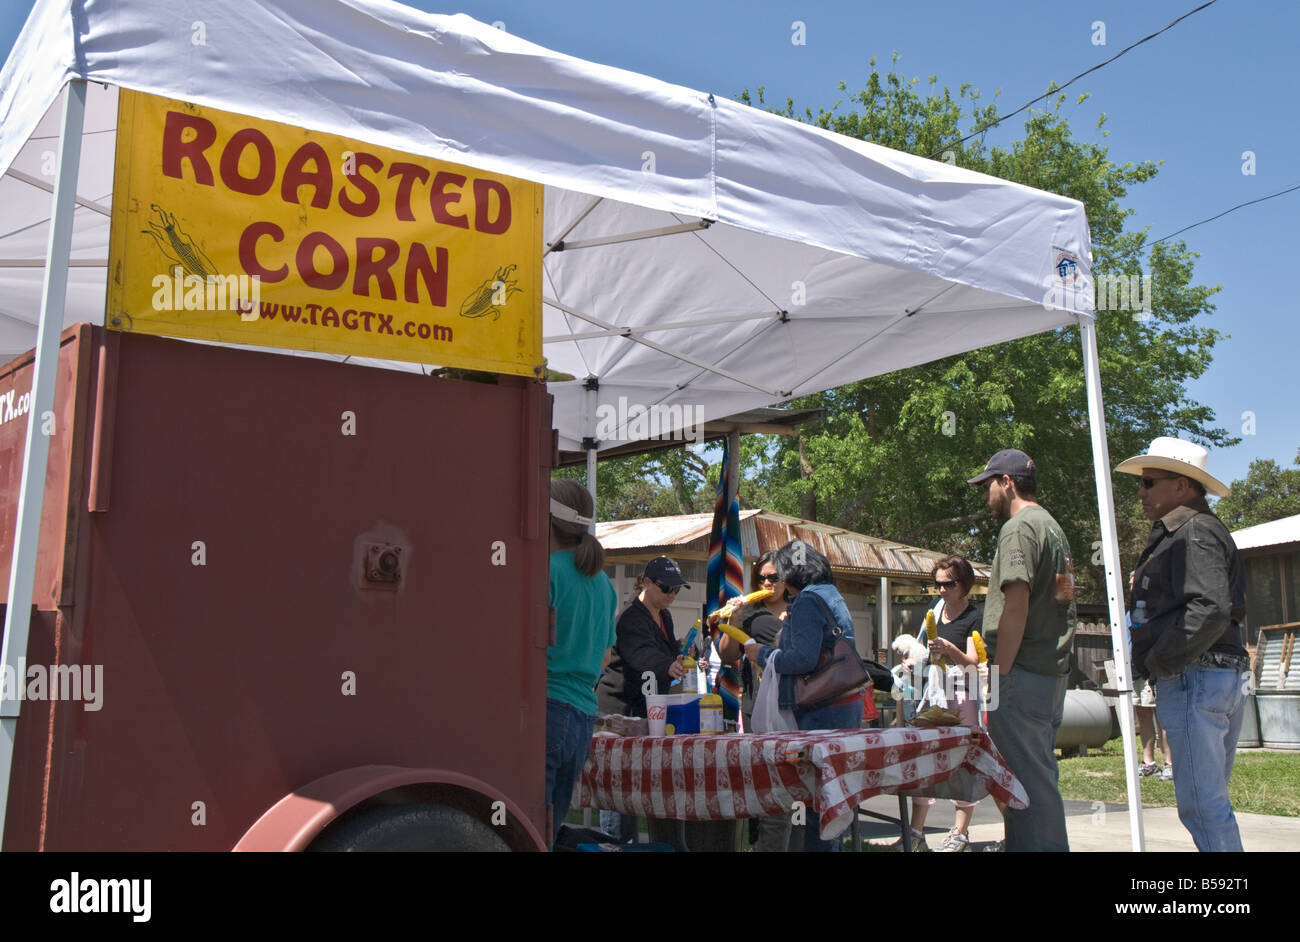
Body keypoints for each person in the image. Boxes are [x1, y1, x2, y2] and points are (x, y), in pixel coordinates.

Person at [1115, 436, 1249, 852]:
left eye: (1150, 482)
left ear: (1183, 486)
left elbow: (1210, 607)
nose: (1141, 491)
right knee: (1207, 801)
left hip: (1197, 674)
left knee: (1201, 805)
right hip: (1209, 674)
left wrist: (1160, 659)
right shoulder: (1184, 531)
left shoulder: (1196, 531)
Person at [968, 448, 1075, 853]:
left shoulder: (1018, 528)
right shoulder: (1052, 526)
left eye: (988, 486)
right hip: (1049, 673)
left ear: (1007, 482)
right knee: (1039, 779)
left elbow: (1016, 604)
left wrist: (1002, 674)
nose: (985, 496)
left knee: (1022, 785)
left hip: (1020, 674)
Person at [743, 540, 863, 852]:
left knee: (815, 806)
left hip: (822, 706)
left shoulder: (808, 601)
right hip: (845, 701)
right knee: (832, 800)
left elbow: (803, 659)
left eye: (780, 574)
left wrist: (764, 654)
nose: (776, 582)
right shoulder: (830, 593)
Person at [546, 480, 617, 845]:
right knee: (548, 831)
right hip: (582, 718)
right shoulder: (604, 584)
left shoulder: (545, 571)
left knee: (523, 829)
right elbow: (605, 656)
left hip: (545, 709)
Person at [905, 555, 983, 853]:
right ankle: (915, 831)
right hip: (934, 691)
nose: (941, 590)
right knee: (925, 756)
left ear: (964, 584)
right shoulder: (934, 612)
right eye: (937, 584)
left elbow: (974, 665)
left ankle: (960, 833)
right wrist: (915, 661)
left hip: (962, 692)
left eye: (948, 584)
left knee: (964, 759)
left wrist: (951, 649)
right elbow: (924, 651)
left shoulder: (974, 616)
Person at [716, 551, 790, 851]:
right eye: (762, 578)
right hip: (756, 701)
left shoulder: (800, 609)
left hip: (790, 701)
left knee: (787, 773)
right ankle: (759, 838)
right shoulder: (750, 613)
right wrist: (733, 617)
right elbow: (727, 654)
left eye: (774, 577)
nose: (767, 583)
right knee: (761, 774)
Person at [596, 555, 690, 717]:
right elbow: (642, 654)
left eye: (676, 589)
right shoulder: (630, 617)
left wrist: (681, 653)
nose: (672, 595)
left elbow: (665, 649)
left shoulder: (665, 616)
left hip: (645, 706)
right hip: (618, 709)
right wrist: (668, 665)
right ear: (647, 582)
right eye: (666, 588)